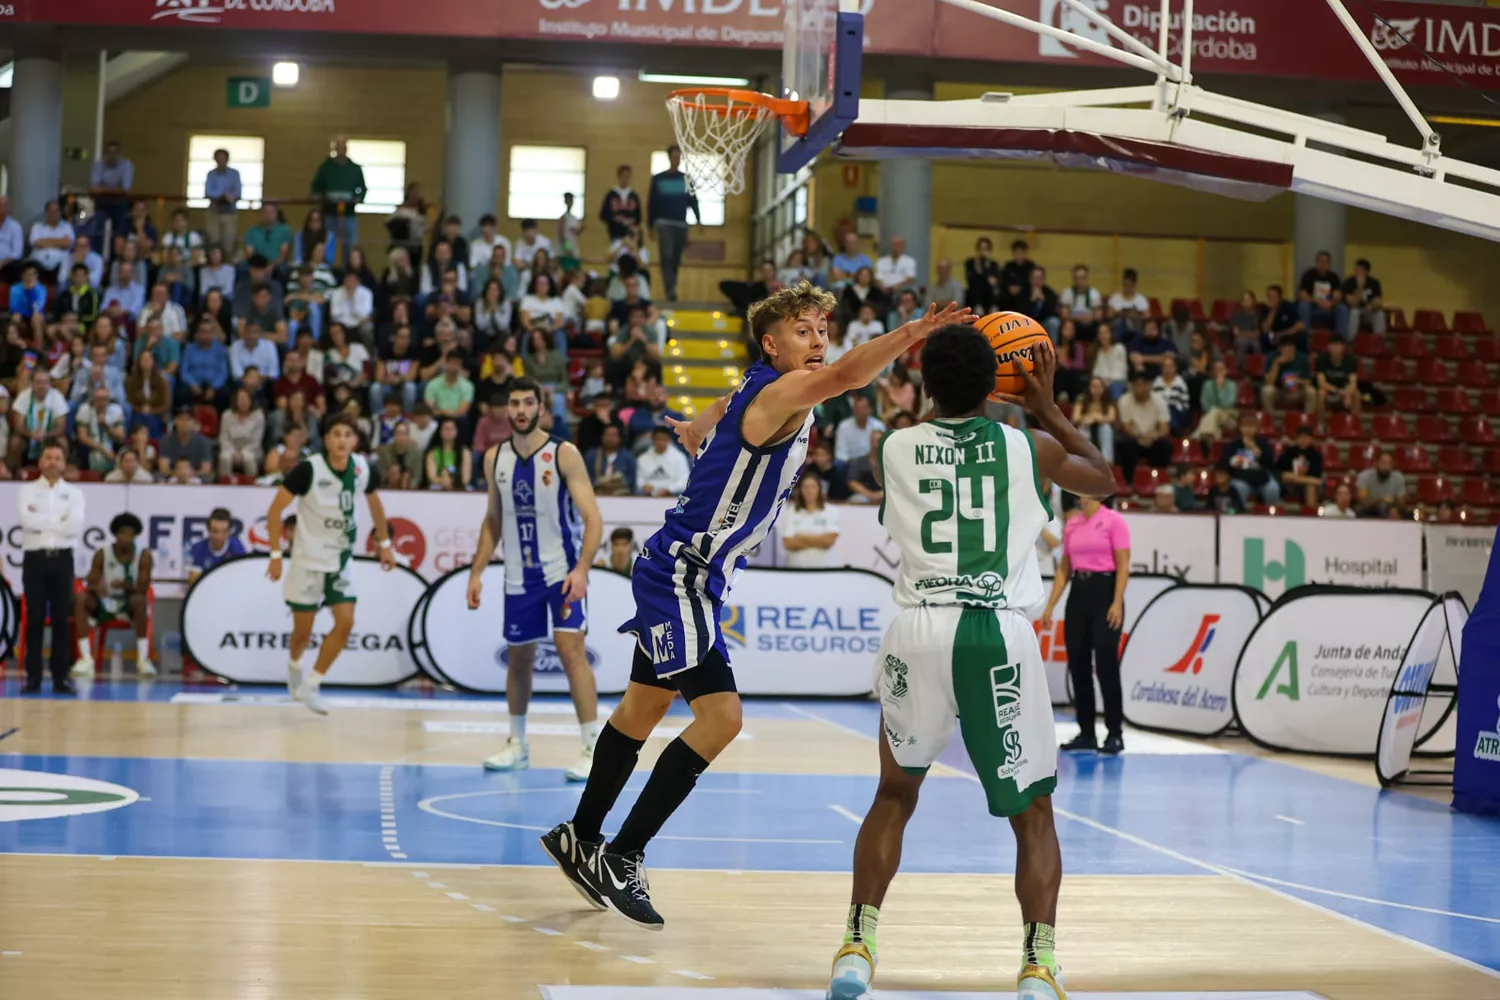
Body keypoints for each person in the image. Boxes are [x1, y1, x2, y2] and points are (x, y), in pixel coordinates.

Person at [540, 283, 972, 928]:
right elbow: (854, 373)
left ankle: (580, 834)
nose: (820, 340)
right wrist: (913, 333)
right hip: (681, 573)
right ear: (772, 344)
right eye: (804, 330)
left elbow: (727, 399)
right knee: (721, 719)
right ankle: (622, 854)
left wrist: (698, 424)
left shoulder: (758, 386)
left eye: (823, 328)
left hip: (687, 573)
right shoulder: (784, 391)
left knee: (642, 708)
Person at [825, 329, 1115, 1000]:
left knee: (894, 794)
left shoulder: (889, 447)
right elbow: (1103, 480)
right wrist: (1043, 406)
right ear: (996, 387)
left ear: (926, 387)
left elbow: (932, 428)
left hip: (918, 630)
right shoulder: (1029, 446)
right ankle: (1038, 965)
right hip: (996, 635)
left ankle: (855, 948)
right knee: (1033, 812)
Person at [467, 377, 605, 783]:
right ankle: (517, 744)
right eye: (515, 403)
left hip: (561, 572)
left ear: (542, 407)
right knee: (519, 658)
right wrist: (476, 571)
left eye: (529, 402)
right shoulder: (494, 458)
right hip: (517, 576)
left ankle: (591, 748)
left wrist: (581, 569)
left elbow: (593, 518)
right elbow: (492, 520)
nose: (522, 409)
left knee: (571, 651)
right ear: (506, 410)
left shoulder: (564, 454)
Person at [265, 414, 398, 714]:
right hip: (307, 559)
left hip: (340, 559)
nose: (341, 440)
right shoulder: (308, 469)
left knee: (346, 622)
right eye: (335, 434)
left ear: (355, 440)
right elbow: (274, 513)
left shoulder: (363, 468)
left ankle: (312, 684)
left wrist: (385, 545)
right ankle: (295, 666)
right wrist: (275, 556)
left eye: (347, 434)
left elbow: (376, 505)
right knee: (302, 633)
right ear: (326, 439)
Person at [1042, 493, 1132, 756]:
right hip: (1078, 594)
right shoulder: (1072, 524)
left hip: (1104, 591)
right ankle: (1087, 732)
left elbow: (1124, 565)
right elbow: (1064, 569)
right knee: (1078, 664)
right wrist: (1050, 605)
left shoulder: (1114, 521)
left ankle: (1115, 733)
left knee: (1106, 664)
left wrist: (1116, 602)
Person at [18, 440, 84, 695]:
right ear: (40, 461)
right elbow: (26, 519)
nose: (53, 462)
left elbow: (74, 527)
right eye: (48, 457)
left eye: (57, 458)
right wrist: (57, 521)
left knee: (60, 619)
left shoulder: (75, 494)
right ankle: (33, 677)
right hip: (35, 558)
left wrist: (44, 522)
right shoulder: (27, 491)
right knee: (34, 618)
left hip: (63, 558)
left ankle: (60, 678)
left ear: (64, 463)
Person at [73, 513, 155, 678]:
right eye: (122, 533)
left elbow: (143, 587)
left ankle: (143, 660)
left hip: (128, 602)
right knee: (80, 599)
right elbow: (91, 581)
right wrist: (97, 587)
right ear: (115, 535)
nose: (126, 538)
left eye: (130, 534)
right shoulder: (102, 553)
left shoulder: (143, 555)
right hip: (105, 601)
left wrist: (125, 586)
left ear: (135, 536)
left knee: (140, 601)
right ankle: (85, 659)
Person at [647, 145, 700, 301]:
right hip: (664, 223)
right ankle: (670, 290)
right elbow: (652, 203)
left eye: (679, 156)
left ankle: (671, 287)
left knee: (676, 259)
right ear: (669, 158)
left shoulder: (686, 178)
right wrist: (650, 226)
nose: (676, 159)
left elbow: (693, 201)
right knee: (667, 257)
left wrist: (699, 219)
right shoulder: (658, 179)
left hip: (681, 224)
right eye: (674, 156)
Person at [310, 136, 365, 262]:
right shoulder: (325, 167)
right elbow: (316, 186)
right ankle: (328, 268)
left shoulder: (355, 168)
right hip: (329, 211)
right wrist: (317, 196)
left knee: (350, 243)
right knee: (329, 243)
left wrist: (358, 198)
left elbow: (362, 188)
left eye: (343, 146)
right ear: (334, 148)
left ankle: (349, 269)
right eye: (338, 146)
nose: (341, 149)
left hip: (348, 212)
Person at [781, 474, 840, 568]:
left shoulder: (831, 511)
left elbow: (828, 541)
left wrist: (800, 537)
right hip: (797, 567)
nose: (809, 491)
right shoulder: (792, 511)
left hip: (824, 568)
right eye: (805, 487)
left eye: (813, 487)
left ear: (819, 489)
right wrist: (818, 540)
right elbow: (788, 543)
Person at [187, 507, 247, 584]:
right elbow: (193, 581)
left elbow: (242, 578)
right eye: (215, 531)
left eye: (223, 532)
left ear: (229, 532)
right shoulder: (199, 548)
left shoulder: (237, 549)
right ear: (208, 530)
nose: (219, 536)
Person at [1276, 424, 1324, 509]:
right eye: (1301, 437)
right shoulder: (1289, 452)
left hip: (1307, 485)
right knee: (1287, 476)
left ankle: (1311, 514)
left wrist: (1298, 478)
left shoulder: (1316, 456)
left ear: (1311, 439)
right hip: (1290, 485)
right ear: (1297, 438)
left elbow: (1317, 479)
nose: (1304, 440)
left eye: (1307, 437)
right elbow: (1281, 472)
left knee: (1311, 487)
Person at [636, 424, 691, 497]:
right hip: (648, 495)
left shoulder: (679, 457)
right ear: (652, 440)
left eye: (663, 439)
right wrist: (644, 486)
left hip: (672, 494)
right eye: (658, 439)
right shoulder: (643, 458)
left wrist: (669, 490)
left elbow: (684, 481)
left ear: (669, 440)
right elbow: (639, 481)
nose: (660, 442)